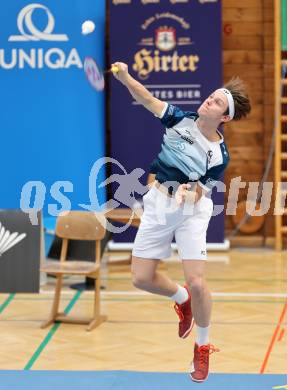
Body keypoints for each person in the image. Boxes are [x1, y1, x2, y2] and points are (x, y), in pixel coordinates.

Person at [112, 61, 251, 382]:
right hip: (159, 203)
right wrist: (125, 76)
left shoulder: (219, 155)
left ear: (225, 117)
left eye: (217, 102)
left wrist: (189, 195)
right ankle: (181, 298)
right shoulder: (180, 118)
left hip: (191, 212)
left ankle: (202, 348)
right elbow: (147, 98)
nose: (209, 101)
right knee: (141, 278)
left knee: (199, 282)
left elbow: (202, 190)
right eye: (212, 96)